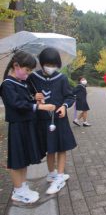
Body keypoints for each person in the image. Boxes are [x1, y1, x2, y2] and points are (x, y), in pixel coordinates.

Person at [0, 51, 56, 203]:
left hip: (27, 125)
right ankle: (18, 191)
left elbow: (27, 99)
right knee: (17, 160)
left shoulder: (22, 82)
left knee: (23, 159)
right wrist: (39, 107)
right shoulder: (7, 84)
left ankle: (22, 186)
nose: (28, 74)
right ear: (16, 66)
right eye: (27, 70)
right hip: (18, 126)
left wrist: (35, 97)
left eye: (30, 71)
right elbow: (17, 104)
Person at [28, 47, 77, 194]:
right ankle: (52, 174)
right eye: (48, 64)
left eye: (54, 65)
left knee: (62, 148)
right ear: (42, 63)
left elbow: (70, 96)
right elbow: (26, 96)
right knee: (50, 149)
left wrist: (64, 106)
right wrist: (33, 97)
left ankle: (60, 176)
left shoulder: (61, 78)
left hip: (59, 120)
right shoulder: (33, 78)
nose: (51, 68)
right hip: (42, 120)